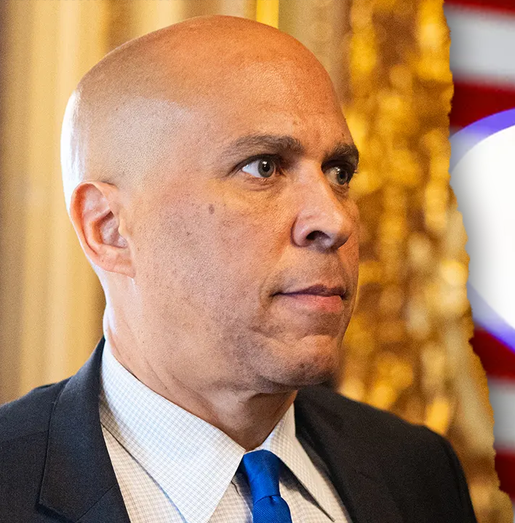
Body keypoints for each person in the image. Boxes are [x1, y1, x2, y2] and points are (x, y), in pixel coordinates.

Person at [0, 15, 478, 523]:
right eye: (263, 166)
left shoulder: (416, 470)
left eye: (338, 173)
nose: (334, 221)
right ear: (110, 229)